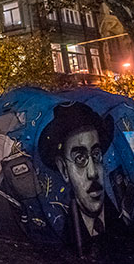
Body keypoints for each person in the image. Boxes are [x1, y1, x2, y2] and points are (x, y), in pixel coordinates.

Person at [38, 102, 115, 241]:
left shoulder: (120, 217)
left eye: (96, 155)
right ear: (64, 170)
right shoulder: (68, 233)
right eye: (80, 158)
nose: (92, 173)